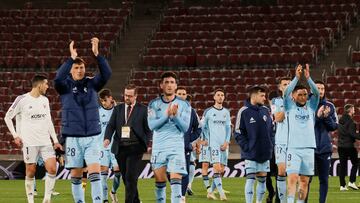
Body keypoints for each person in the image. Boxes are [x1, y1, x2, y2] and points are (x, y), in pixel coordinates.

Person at [54, 37, 112, 203]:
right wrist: (70, 58)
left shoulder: (92, 84)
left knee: (94, 172)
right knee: (76, 175)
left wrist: (97, 55)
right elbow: (57, 79)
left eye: (82, 67)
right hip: (73, 138)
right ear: (71, 70)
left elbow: (107, 74)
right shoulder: (64, 86)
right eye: (76, 67)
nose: (80, 70)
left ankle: (98, 201)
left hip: (93, 137)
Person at [4, 75, 62, 203]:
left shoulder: (45, 100)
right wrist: (15, 135)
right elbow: (7, 117)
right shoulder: (22, 99)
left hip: (46, 141)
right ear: (39, 84)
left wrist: (55, 141)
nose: (47, 87)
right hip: (29, 142)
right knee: (30, 171)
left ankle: (47, 199)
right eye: (46, 84)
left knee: (52, 168)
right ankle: (31, 201)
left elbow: (49, 121)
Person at [147, 71, 191, 203]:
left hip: (176, 148)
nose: (169, 85)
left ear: (176, 85)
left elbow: (185, 128)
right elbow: (151, 125)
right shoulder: (153, 104)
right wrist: (167, 115)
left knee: (176, 182)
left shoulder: (184, 105)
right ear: (161, 85)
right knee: (159, 183)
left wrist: (175, 116)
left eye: (172, 82)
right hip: (159, 148)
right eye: (166, 82)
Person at [104, 84, 152, 203]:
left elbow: (148, 129)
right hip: (120, 148)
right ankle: (136, 200)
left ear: (135, 96)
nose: (127, 98)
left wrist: (148, 143)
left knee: (130, 176)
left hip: (136, 147)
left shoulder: (143, 109)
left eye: (130, 96)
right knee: (126, 178)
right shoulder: (118, 109)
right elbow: (111, 126)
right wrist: (107, 138)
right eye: (126, 95)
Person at [283, 64, 319, 203]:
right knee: (292, 178)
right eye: (300, 94)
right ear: (294, 96)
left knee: (304, 181)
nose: (303, 97)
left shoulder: (311, 106)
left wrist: (308, 79)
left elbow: (316, 93)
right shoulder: (289, 106)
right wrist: (296, 78)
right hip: (293, 148)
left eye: (305, 94)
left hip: (309, 148)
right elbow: (285, 93)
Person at [234, 86, 273, 203]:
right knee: (250, 179)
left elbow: (271, 130)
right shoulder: (244, 111)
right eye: (262, 95)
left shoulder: (265, 110)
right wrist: (247, 147)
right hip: (251, 152)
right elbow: (237, 132)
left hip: (265, 152)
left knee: (262, 179)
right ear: (254, 96)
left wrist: (270, 145)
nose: (265, 98)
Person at [305, 81, 338, 203]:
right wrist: (318, 117)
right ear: (312, 90)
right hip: (308, 147)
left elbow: (334, 126)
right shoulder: (305, 104)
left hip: (324, 148)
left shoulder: (330, 106)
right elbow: (305, 124)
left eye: (322, 88)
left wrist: (326, 117)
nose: (320, 90)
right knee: (306, 179)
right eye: (318, 88)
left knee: (324, 179)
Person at [201, 89, 231, 201]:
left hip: (224, 144)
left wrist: (227, 141)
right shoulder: (208, 111)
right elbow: (201, 126)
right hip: (213, 144)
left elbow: (228, 128)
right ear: (214, 97)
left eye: (222, 95)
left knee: (221, 170)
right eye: (218, 95)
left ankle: (211, 192)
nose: (220, 97)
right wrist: (203, 138)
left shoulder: (226, 112)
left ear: (224, 97)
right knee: (217, 168)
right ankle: (222, 193)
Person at [176, 87, 201, 202]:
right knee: (170, 172)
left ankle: (181, 196)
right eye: (179, 93)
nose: (181, 95)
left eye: (183, 94)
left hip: (185, 147)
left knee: (185, 172)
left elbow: (199, 128)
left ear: (186, 96)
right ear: (175, 95)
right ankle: (176, 192)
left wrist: (189, 139)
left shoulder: (191, 111)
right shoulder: (168, 108)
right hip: (171, 147)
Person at [97, 89, 121, 203]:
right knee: (103, 173)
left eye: (105, 100)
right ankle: (105, 199)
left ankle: (113, 191)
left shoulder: (118, 111)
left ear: (111, 98)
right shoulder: (97, 112)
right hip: (102, 147)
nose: (103, 103)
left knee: (118, 172)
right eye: (101, 101)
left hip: (115, 146)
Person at [271, 77, 291, 203]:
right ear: (280, 87)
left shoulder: (300, 100)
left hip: (295, 142)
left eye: (289, 84)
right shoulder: (275, 101)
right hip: (281, 141)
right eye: (285, 84)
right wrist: (288, 105)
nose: (287, 86)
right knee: (282, 171)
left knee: (295, 175)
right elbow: (277, 118)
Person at [337, 104, 360, 191]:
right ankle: (351, 181)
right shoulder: (352, 122)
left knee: (342, 166)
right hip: (349, 146)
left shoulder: (340, 120)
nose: (354, 111)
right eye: (353, 109)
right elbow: (352, 134)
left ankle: (342, 186)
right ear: (350, 111)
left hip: (340, 146)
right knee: (355, 163)